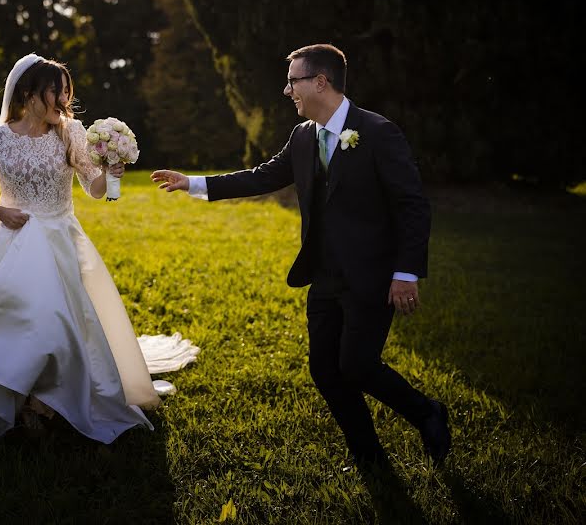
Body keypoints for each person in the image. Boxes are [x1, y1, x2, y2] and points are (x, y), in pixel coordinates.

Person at [151, 44, 450, 468]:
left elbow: (412, 205)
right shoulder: (303, 135)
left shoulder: (378, 132)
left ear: (320, 82)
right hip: (324, 274)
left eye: (293, 81)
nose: (287, 89)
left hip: (372, 275)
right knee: (325, 370)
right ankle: (369, 455)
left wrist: (405, 273)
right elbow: (264, 176)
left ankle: (427, 413)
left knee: (358, 366)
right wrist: (195, 183)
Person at [0, 54, 197, 448]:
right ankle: (15, 401)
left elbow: (94, 190)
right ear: (29, 93)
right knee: (13, 325)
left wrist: (111, 177)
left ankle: (45, 404)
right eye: (56, 91)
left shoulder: (70, 133)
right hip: (12, 245)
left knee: (58, 322)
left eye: (67, 91)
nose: (64, 100)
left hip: (61, 242)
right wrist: (1, 212)